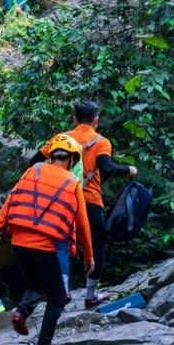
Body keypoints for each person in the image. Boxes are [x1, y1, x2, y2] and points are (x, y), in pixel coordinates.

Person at [0, 134, 94, 345]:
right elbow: (82, 223)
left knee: (38, 284)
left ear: (51, 157)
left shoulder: (32, 171)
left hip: (18, 244)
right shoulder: (73, 183)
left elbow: (11, 200)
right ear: (71, 160)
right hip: (44, 246)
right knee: (58, 297)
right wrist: (89, 256)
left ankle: (20, 311)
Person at [34, 100, 137, 307]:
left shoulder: (61, 139)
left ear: (74, 119)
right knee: (97, 246)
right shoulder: (101, 141)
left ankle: (62, 290)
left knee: (60, 245)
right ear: (96, 121)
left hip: (61, 201)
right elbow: (107, 169)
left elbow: (34, 162)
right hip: (90, 200)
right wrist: (129, 170)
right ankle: (90, 294)